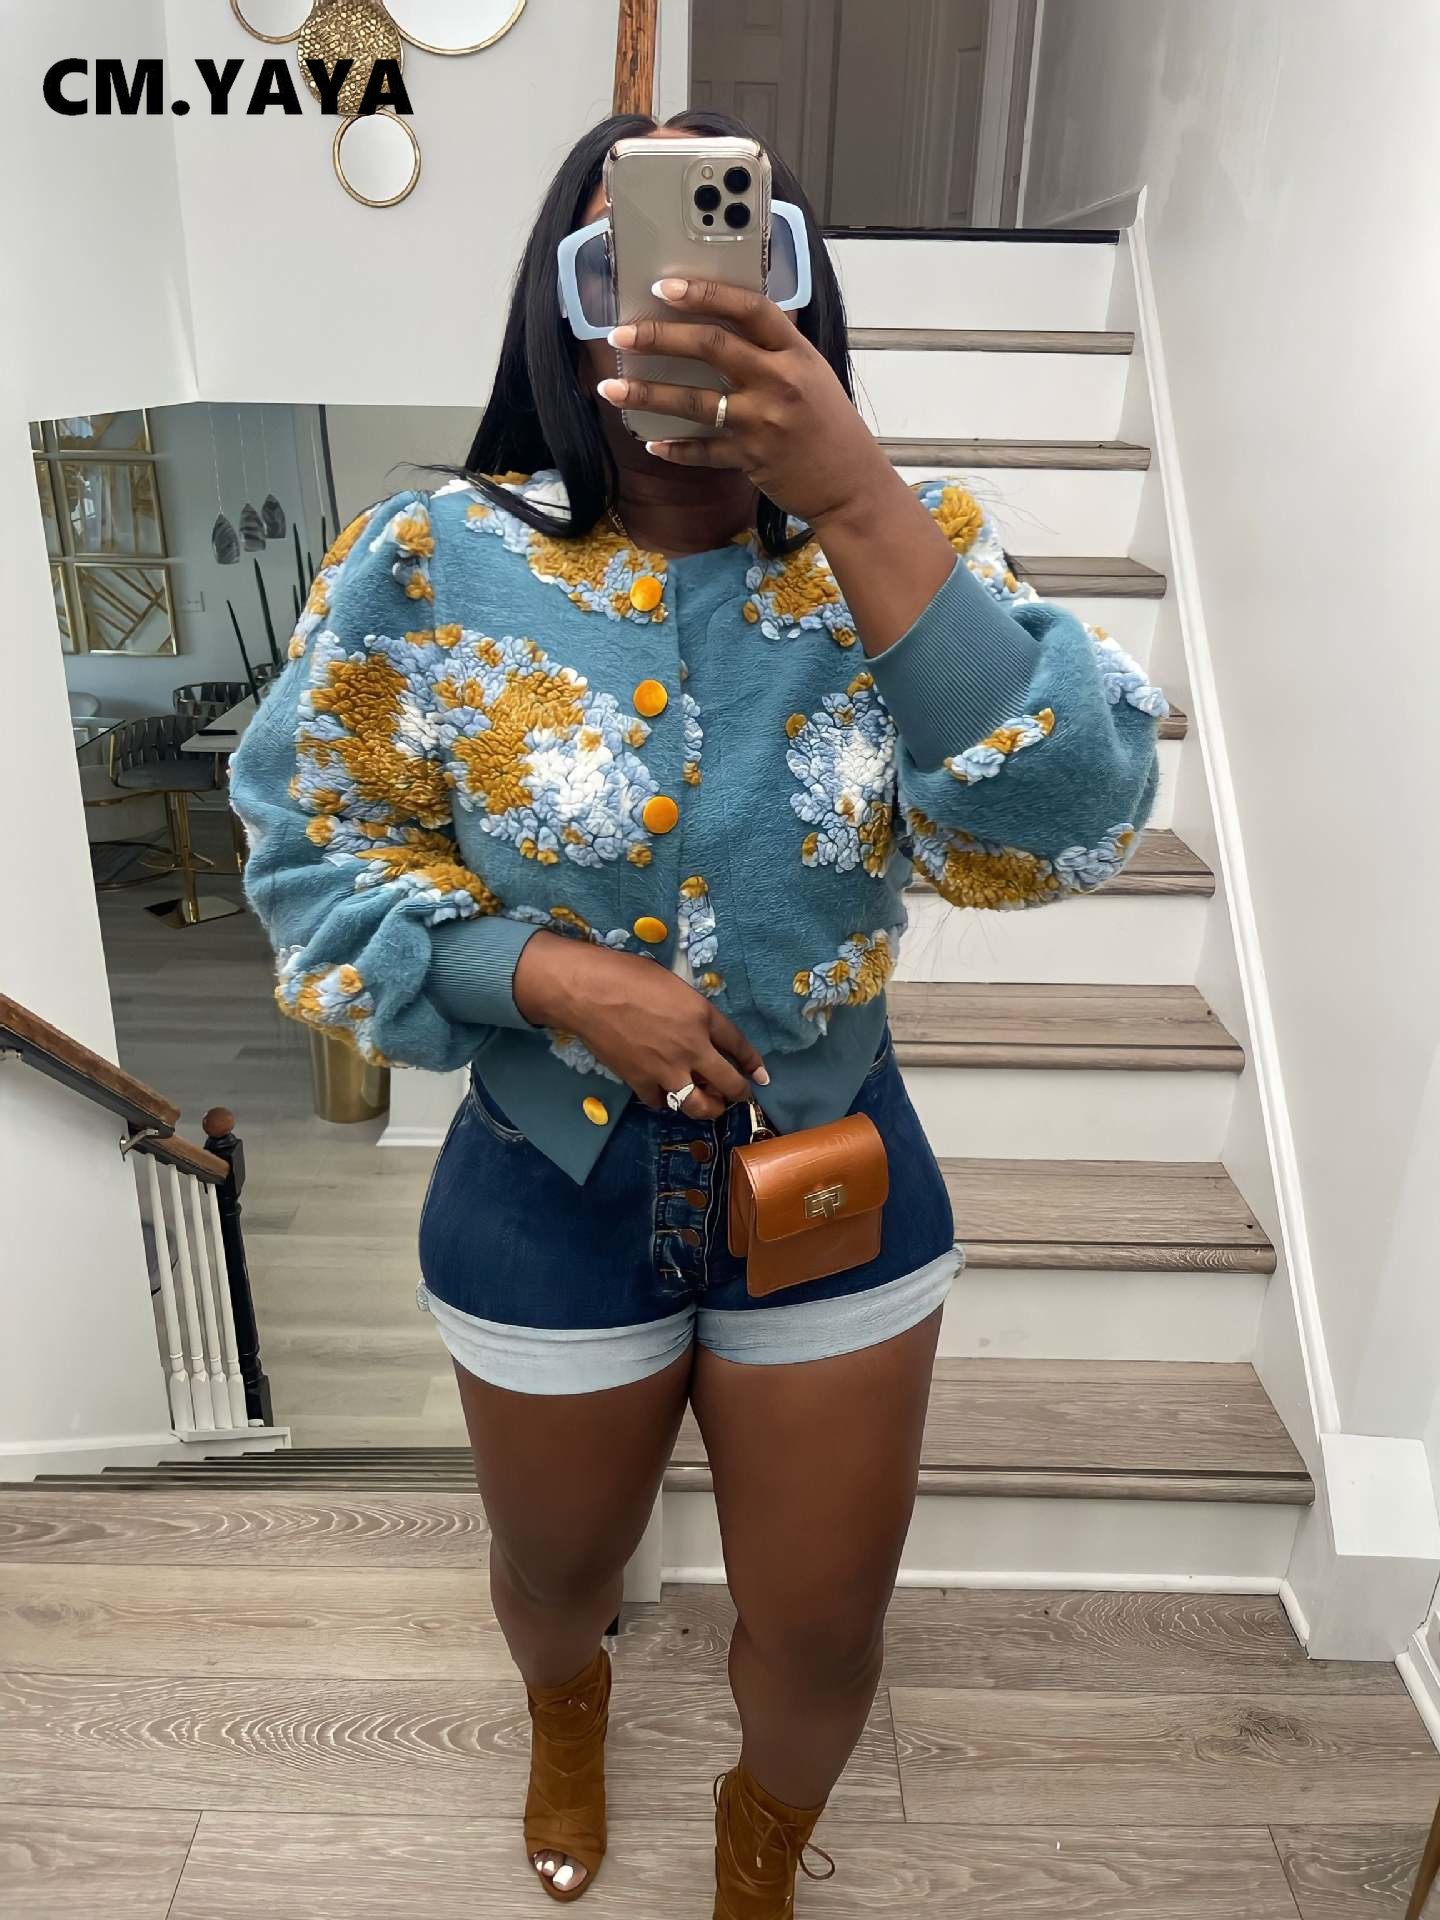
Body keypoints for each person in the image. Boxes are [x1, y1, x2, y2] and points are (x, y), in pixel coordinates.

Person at [230, 108, 1163, 1917]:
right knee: (555, 1576)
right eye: (616, 268)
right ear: (558, 309)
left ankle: (758, 1861)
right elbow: (307, 857)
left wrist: (861, 498)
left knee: (822, 1625)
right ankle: (566, 1708)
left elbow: (1072, 820)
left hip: (830, 1175)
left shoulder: (910, 548)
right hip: (544, 1183)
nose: (671, 307)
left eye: (741, 258)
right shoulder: (429, 562)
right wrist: (549, 975)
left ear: (802, 299)